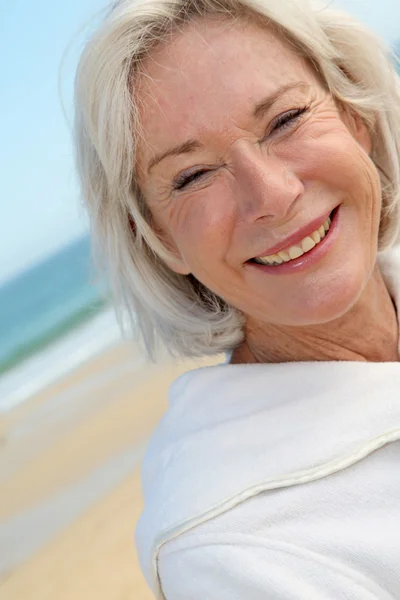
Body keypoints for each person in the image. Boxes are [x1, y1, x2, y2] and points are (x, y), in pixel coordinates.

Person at [74, 0, 400, 597]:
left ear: (356, 119)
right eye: (192, 175)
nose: (271, 194)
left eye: (285, 120)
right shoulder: (232, 553)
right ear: (159, 240)